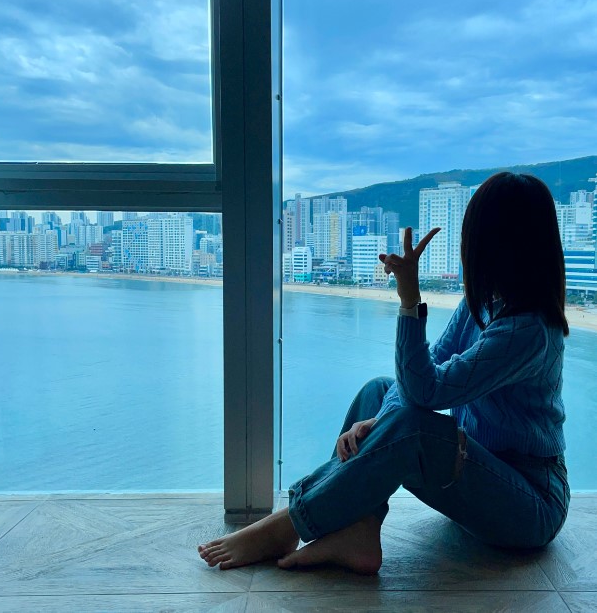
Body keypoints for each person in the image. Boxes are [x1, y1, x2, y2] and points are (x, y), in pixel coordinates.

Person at [198, 172, 570, 574]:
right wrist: (382, 419)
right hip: (478, 471)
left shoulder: (528, 330)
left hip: (530, 503)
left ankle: (288, 525)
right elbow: (426, 373)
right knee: (378, 393)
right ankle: (359, 529)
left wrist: (409, 300)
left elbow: (427, 391)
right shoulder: (480, 304)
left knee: (412, 425)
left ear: (497, 244)